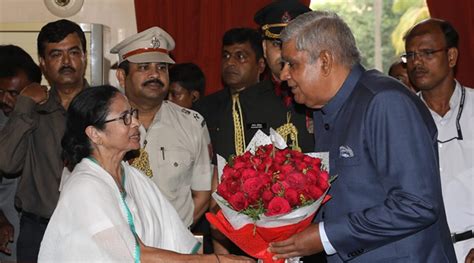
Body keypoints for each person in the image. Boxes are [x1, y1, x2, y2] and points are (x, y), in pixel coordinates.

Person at [267, 11, 456, 262]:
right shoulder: (326, 111)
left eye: (292, 64)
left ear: (324, 61)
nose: (283, 76)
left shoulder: (384, 102)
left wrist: (325, 236)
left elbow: (417, 204)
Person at [37, 85, 253, 263]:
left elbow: (174, 236)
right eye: (124, 118)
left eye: (133, 114)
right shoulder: (84, 187)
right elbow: (132, 254)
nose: (136, 123)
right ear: (95, 134)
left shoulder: (133, 177)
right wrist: (212, 261)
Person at [0, 19, 88, 261]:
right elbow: (8, 163)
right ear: (43, 62)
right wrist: (24, 103)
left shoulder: (103, 107)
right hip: (38, 229)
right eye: (56, 54)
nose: (67, 61)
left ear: (84, 57)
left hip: (92, 227)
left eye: (73, 52)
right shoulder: (31, 110)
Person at [111, 27, 212, 229]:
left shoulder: (192, 123)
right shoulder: (103, 124)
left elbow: (202, 193)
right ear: (122, 77)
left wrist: (175, 233)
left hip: (176, 247)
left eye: (162, 68)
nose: (155, 74)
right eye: (144, 67)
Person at [403, 18, 474, 263]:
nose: (416, 62)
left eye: (426, 52)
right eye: (410, 55)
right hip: (422, 253)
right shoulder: (401, 117)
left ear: (452, 57)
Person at [253, 0, 315, 154]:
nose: (285, 54)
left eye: (293, 46)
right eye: (277, 44)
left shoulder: (321, 99)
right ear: (264, 49)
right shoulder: (241, 106)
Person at [0, 44, 42, 262]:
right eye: (1, 91)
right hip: (9, 232)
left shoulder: (48, 118)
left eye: (15, 94)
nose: (6, 99)